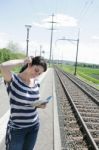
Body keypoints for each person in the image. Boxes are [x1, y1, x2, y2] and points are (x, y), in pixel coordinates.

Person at [0, 56, 47, 150]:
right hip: (17, 129)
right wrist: (23, 61)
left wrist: (40, 105)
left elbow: (31, 102)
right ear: (29, 65)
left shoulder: (36, 82)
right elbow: (3, 66)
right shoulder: (13, 80)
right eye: (36, 70)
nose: (37, 74)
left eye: (40, 73)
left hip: (34, 127)